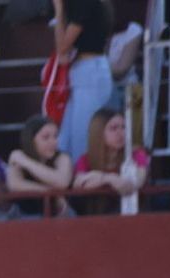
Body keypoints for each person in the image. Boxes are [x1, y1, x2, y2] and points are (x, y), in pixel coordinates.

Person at [54, 0, 111, 160]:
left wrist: (59, 10)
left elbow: (62, 48)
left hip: (91, 72)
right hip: (82, 71)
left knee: (82, 138)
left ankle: (84, 181)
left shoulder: (84, 3)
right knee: (65, 140)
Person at [72, 106, 146, 216]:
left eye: (123, 127)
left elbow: (137, 182)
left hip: (132, 215)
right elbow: (79, 184)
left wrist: (97, 178)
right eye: (113, 128)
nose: (120, 133)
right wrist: (109, 179)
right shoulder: (85, 159)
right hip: (95, 218)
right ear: (98, 132)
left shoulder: (136, 154)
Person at [6, 113, 72, 218]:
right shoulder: (19, 156)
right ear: (31, 140)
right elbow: (14, 184)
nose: (53, 142)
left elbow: (62, 181)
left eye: (55, 136)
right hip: (26, 217)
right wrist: (53, 194)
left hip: (59, 216)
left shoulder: (62, 157)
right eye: (46, 137)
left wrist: (25, 162)